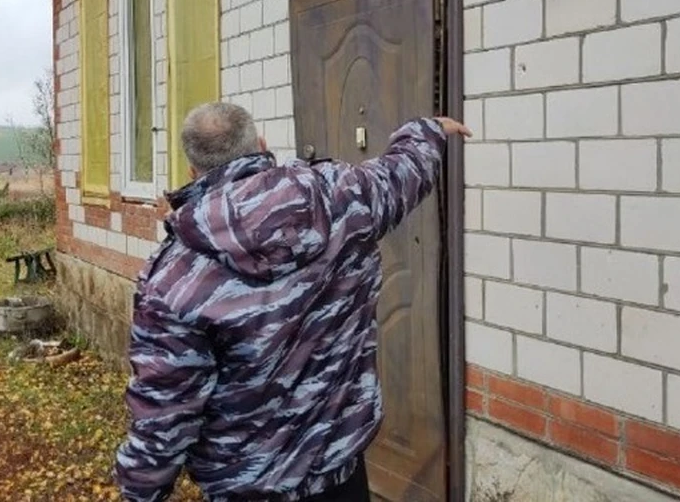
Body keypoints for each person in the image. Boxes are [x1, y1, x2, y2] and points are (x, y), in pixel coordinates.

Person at [114, 102, 471, 502]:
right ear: (261, 145)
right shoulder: (342, 196)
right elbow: (399, 175)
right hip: (339, 474)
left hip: (249, 487)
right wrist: (428, 130)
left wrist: (139, 493)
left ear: (193, 172)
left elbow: (164, 416)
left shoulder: (173, 281)